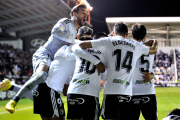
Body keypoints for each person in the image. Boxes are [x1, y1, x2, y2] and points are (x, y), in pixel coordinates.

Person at [4, 3, 89, 114]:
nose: (86, 14)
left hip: (54, 62)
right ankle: (14, 100)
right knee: (42, 76)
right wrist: (73, 41)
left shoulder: (75, 34)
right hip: (45, 54)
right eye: (83, 12)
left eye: (86, 12)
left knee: (44, 94)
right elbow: (55, 31)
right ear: (74, 14)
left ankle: (11, 86)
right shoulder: (67, 22)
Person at [77, 22, 157, 120]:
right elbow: (153, 50)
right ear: (127, 35)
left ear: (114, 33)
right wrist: (155, 41)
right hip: (127, 93)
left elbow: (81, 45)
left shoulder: (108, 41)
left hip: (112, 91)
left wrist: (97, 61)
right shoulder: (135, 45)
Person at [67, 36, 106, 120]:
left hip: (73, 91)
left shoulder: (77, 51)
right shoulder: (101, 53)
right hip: (89, 93)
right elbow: (104, 76)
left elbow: (74, 48)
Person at [127, 23, 158, 120]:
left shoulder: (128, 48)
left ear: (132, 35)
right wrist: (155, 41)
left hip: (131, 91)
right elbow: (155, 47)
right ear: (145, 36)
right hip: (148, 91)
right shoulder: (151, 49)